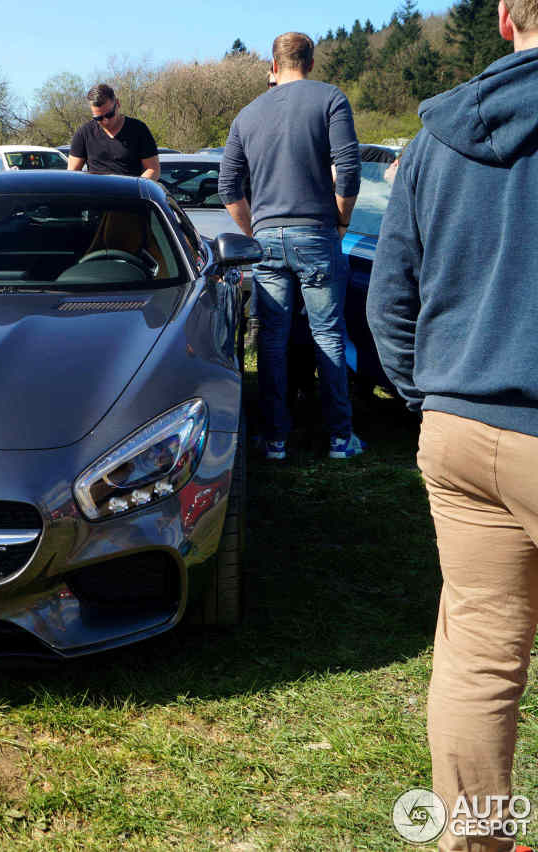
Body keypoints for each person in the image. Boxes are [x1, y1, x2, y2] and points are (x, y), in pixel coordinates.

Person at [368, 3, 538, 850]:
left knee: (478, 655)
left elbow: (388, 297)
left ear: (505, 18)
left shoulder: (434, 141)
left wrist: (429, 398)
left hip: (461, 430)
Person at [218, 32, 363, 461]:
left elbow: (228, 187)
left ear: (273, 66)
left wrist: (254, 232)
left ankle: (276, 440)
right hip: (316, 232)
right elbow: (350, 170)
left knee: (271, 341)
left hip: (267, 240)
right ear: (311, 62)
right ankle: (340, 438)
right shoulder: (330, 99)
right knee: (329, 336)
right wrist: (341, 221)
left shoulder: (247, 114)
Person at [66, 84, 160, 179]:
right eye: (98, 118)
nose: (105, 121)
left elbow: (153, 169)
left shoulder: (139, 130)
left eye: (109, 115)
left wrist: (135, 189)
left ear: (118, 104)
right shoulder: (84, 133)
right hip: (95, 192)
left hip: (130, 191)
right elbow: (72, 174)